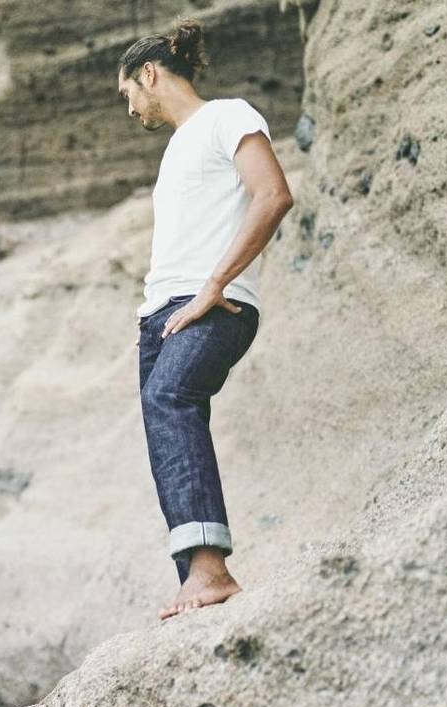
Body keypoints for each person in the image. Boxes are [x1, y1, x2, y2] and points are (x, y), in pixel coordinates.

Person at [116, 17, 294, 621]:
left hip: (215, 303)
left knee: (170, 400)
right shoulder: (175, 149)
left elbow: (273, 196)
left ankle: (211, 571)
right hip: (160, 313)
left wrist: (213, 285)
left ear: (150, 74)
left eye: (128, 94)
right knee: (163, 419)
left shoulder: (228, 115)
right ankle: (196, 576)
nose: (130, 109)